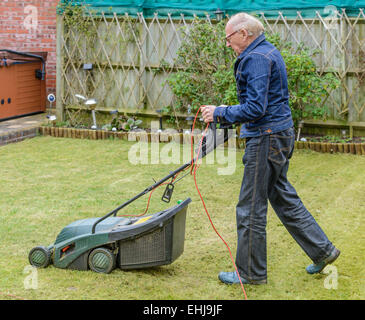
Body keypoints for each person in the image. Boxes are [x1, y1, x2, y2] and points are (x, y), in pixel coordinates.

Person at [201, 12, 340, 285]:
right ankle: (323, 250)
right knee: (283, 197)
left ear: (244, 33)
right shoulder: (267, 51)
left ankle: (250, 273)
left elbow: (255, 108)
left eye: (228, 38)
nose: (227, 44)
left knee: (250, 208)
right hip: (278, 135)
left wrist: (220, 112)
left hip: (267, 139)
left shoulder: (255, 58)